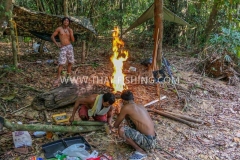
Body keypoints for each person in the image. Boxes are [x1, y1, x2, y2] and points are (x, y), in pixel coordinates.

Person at [113, 90, 156, 160]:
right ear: (133, 99)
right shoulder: (141, 106)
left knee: (122, 129)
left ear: (124, 101)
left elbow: (116, 125)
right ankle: (140, 145)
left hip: (148, 143)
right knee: (129, 120)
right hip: (153, 141)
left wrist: (119, 113)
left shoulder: (126, 107)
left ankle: (141, 151)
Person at [51, 17, 75, 87]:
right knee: (61, 63)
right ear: (62, 22)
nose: (66, 22)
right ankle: (58, 78)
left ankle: (68, 77)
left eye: (67, 21)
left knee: (70, 62)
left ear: (69, 23)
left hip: (69, 46)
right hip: (63, 47)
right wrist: (57, 44)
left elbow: (73, 40)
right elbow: (52, 36)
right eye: (65, 20)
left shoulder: (70, 30)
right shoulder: (59, 29)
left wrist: (71, 33)